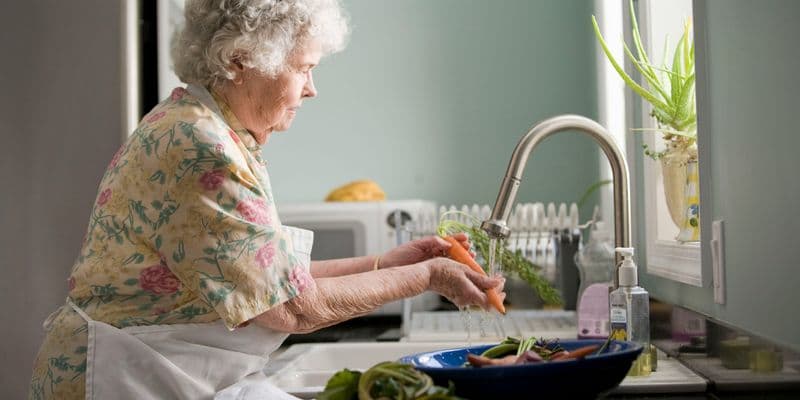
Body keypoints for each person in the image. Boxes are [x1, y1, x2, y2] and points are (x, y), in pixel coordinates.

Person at [28, 1, 505, 399]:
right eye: (304, 68)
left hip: (158, 370)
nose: (312, 89)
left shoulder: (206, 128)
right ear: (240, 61)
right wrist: (426, 275)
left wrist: (386, 263)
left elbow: (265, 279)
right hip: (125, 379)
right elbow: (291, 308)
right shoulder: (202, 147)